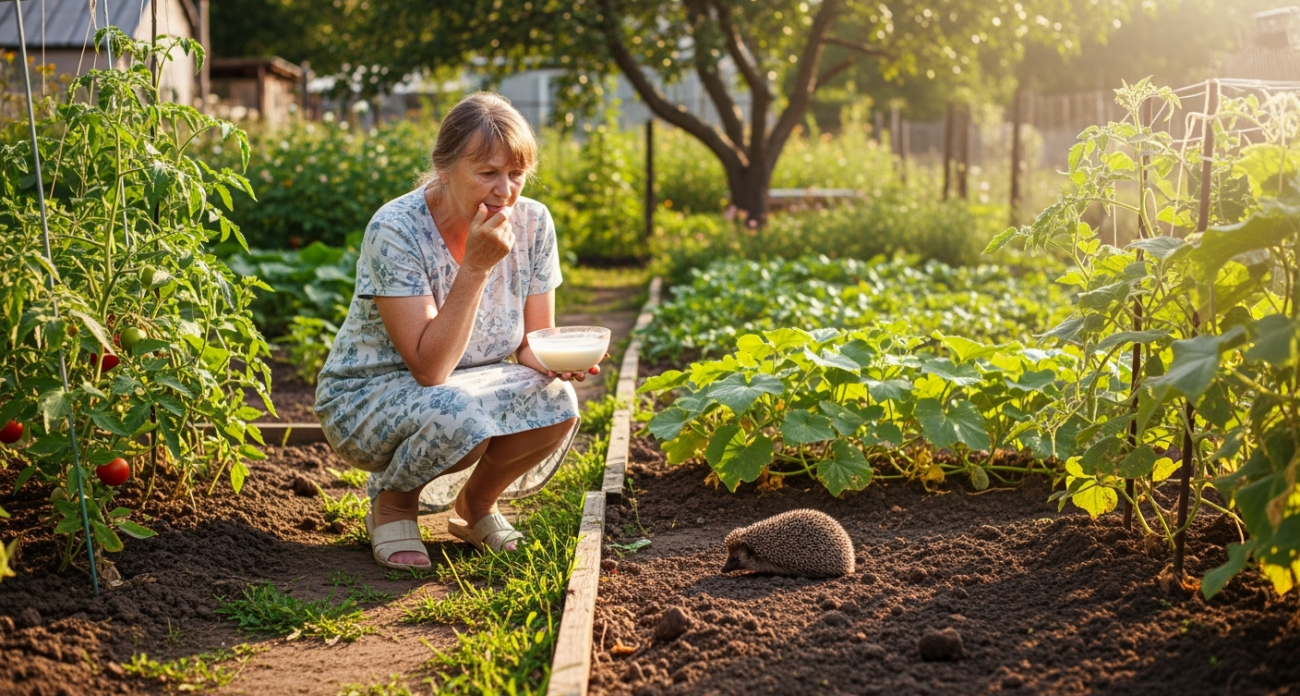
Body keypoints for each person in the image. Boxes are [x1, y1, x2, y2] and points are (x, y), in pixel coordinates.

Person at [314, 92, 591, 570]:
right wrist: (476, 269)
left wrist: (560, 361)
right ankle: (393, 505)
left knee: (557, 403)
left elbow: (532, 344)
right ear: (444, 167)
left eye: (516, 174)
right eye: (487, 172)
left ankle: (476, 507)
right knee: (464, 415)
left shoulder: (533, 224)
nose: (505, 190)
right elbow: (429, 366)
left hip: (464, 386)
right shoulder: (396, 229)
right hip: (369, 395)